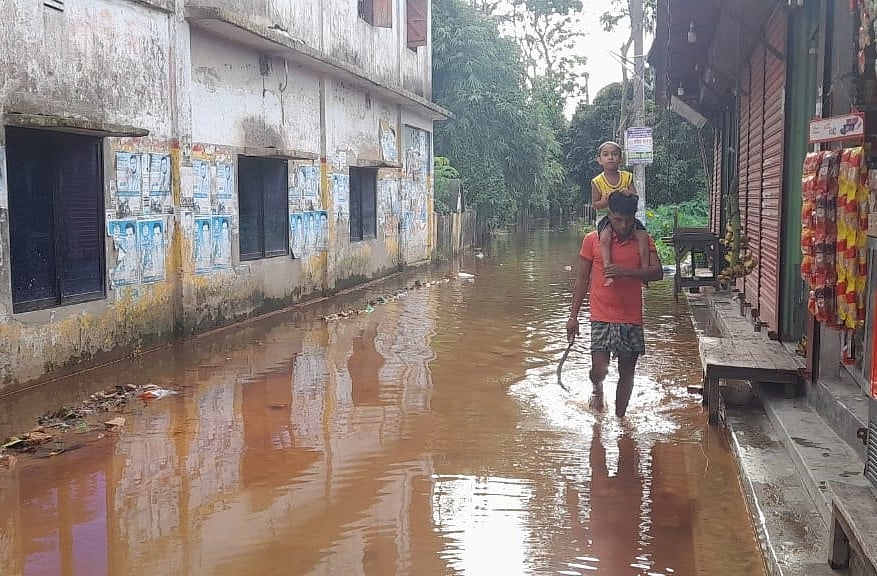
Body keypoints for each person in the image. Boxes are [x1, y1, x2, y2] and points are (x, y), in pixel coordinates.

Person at [566, 193, 663, 418]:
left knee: (627, 373)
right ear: (609, 215)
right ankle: (597, 389)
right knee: (598, 369)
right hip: (601, 315)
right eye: (618, 219)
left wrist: (626, 272)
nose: (623, 225)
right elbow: (581, 279)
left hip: (631, 317)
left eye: (628, 220)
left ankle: (621, 420)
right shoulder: (593, 240)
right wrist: (573, 317)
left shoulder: (643, 240)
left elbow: (657, 272)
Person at [591, 141, 649, 287]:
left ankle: (645, 272)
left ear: (621, 159)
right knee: (605, 238)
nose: (610, 158)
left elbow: (636, 197)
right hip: (607, 217)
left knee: (643, 237)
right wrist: (606, 200)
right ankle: (608, 271)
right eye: (606, 155)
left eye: (614, 154)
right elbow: (596, 205)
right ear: (599, 160)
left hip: (628, 216)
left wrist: (628, 193)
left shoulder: (627, 177)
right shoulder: (597, 181)